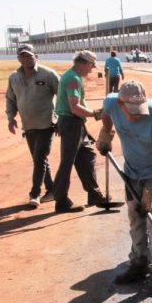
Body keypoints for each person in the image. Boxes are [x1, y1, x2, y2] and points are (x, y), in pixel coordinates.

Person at [95, 81, 152, 296]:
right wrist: (106, 132)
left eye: (139, 110)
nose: (136, 116)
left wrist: (151, 192)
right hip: (132, 173)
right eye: (131, 111)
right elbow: (106, 113)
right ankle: (138, 264)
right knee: (135, 219)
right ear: (121, 103)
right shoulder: (112, 103)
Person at [5, 43, 60, 208]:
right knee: (40, 160)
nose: (26, 58)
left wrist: (59, 119)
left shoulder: (48, 74)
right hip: (28, 125)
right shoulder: (14, 77)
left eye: (29, 55)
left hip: (46, 124)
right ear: (18, 58)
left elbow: (62, 96)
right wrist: (11, 117)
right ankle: (52, 189)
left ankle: (34, 193)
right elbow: (10, 98)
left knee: (39, 159)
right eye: (22, 56)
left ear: (36, 56)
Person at [53, 50, 107, 213]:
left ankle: (94, 193)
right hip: (71, 123)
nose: (91, 70)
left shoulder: (72, 76)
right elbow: (74, 107)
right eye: (91, 66)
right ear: (84, 62)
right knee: (67, 162)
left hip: (75, 123)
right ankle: (61, 200)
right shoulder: (72, 79)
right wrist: (95, 114)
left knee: (87, 156)